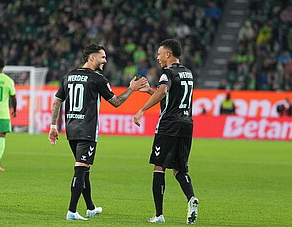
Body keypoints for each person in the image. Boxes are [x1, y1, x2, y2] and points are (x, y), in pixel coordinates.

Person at [48, 43, 147, 221]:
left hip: (71, 130)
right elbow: (116, 102)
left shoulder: (69, 76)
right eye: (102, 57)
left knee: (84, 169)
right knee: (80, 170)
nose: (105, 60)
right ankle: (72, 211)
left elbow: (57, 102)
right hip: (87, 130)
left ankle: (90, 208)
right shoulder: (97, 78)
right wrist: (132, 88)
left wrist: (53, 126)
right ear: (91, 58)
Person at [134, 39, 199, 225]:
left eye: (160, 53)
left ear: (168, 54)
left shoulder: (167, 73)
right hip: (187, 124)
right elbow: (171, 97)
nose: (158, 57)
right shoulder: (188, 72)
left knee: (159, 166)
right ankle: (191, 198)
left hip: (169, 125)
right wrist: (149, 91)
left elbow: (163, 92)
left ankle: (159, 214)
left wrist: (141, 110)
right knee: (179, 168)